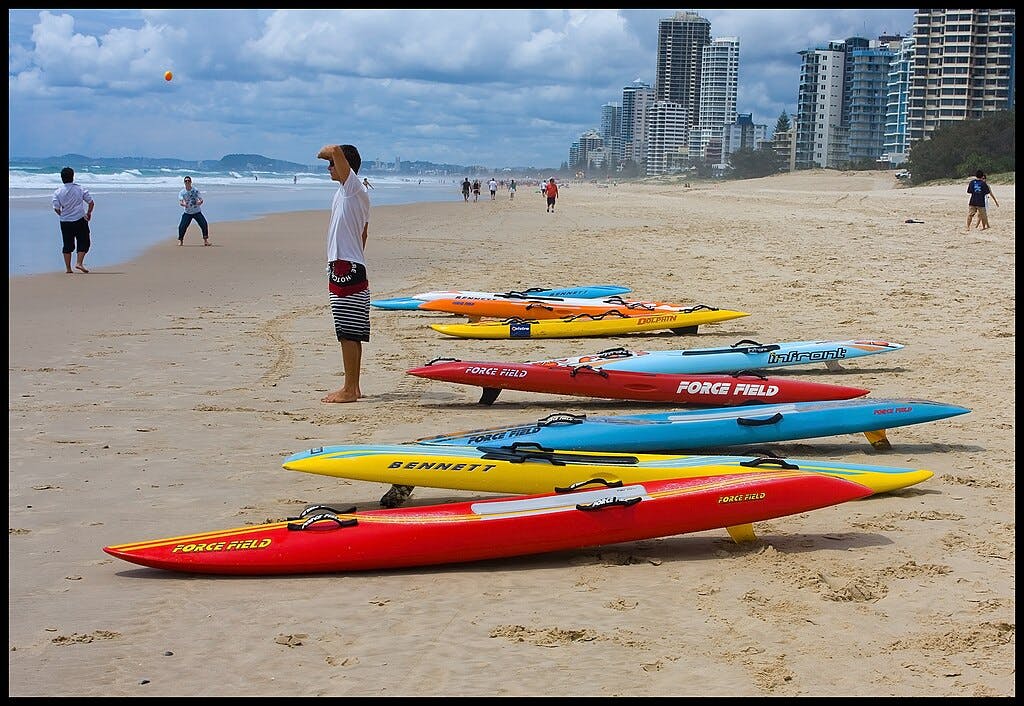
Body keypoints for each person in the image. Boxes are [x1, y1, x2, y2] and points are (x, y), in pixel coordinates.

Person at [316, 143, 371, 406]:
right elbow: (364, 235)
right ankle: (354, 387)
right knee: (352, 332)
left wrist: (331, 155)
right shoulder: (349, 193)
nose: (328, 167)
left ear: (343, 166)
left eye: (331, 165)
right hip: (351, 264)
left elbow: (333, 149)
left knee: (347, 333)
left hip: (345, 267)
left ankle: (349, 390)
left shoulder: (353, 188)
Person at [51, 166, 94, 273]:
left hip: (65, 221)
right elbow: (91, 202)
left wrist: (62, 214)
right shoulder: (80, 189)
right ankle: (79, 263)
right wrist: (88, 213)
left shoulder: (58, 192)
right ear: (73, 177)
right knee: (84, 241)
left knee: (67, 244)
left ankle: (68, 269)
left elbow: (56, 208)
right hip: (80, 219)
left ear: (62, 178)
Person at [177, 176, 210, 246]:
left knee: (204, 224)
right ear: (184, 182)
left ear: (191, 182)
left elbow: (201, 199)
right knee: (182, 227)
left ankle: (206, 241)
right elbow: (181, 201)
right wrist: (184, 204)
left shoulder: (195, 190)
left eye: (188, 181)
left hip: (197, 212)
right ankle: (181, 241)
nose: (187, 182)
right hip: (187, 212)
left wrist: (200, 202)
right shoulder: (182, 192)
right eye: (186, 181)